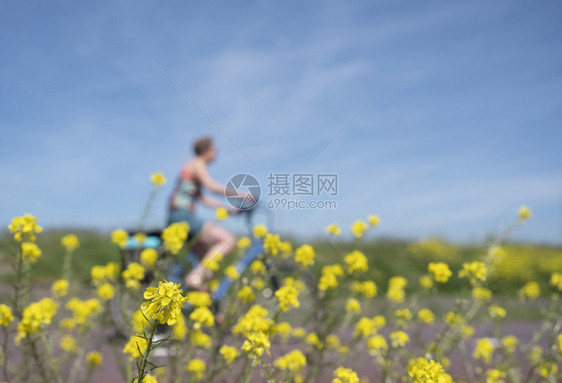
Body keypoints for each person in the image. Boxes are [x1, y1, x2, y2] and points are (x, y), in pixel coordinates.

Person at [167, 136, 244, 290]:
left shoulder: (192, 166)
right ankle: (195, 277)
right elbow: (211, 186)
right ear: (206, 150)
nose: (216, 153)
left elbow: (201, 198)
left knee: (206, 264)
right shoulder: (197, 163)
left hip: (177, 216)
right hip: (183, 216)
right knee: (228, 240)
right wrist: (240, 194)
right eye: (214, 149)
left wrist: (226, 208)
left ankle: (210, 309)